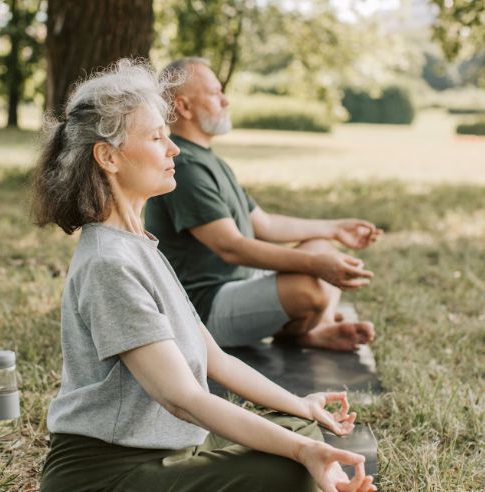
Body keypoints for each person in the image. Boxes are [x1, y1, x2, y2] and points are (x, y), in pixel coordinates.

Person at [31, 59, 376, 492]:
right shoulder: (109, 264)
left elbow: (217, 360)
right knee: (294, 466)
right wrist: (301, 451)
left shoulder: (140, 246)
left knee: (299, 426)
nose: (173, 148)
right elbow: (184, 399)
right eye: (157, 138)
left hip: (170, 447)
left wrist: (301, 406)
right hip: (107, 472)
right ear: (108, 156)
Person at [145, 57, 383, 350]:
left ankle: (313, 331)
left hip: (239, 284)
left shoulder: (209, 160)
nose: (225, 100)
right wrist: (315, 265)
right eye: (214, 93)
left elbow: (266, 224)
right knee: (311, 287)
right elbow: (230, 247)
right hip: (202, 309)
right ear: (183, 107)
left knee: (323, 247)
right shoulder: (185, 166)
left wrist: (334, 229)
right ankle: (307, 330)